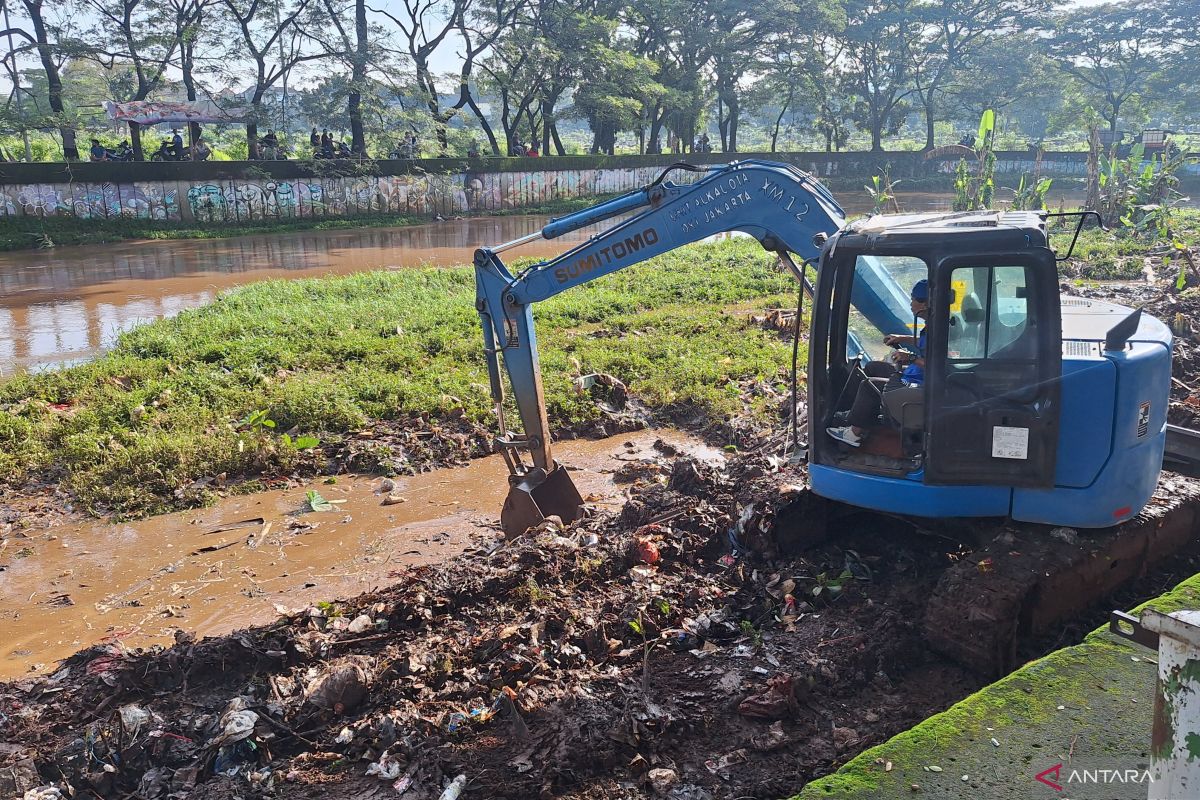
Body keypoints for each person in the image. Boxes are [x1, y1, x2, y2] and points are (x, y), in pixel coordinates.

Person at [826, 279, 930, 448]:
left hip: (920, 386)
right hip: (914, 376)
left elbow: (939, 365)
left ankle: (853, 434)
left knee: (870, 385)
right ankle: (858, 416)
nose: (911, 303)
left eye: (914, 300)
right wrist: (902, 338)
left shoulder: (942, 327)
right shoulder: (935, 324)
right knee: (873, 367)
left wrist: (910, 358)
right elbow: (927, 342)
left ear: (926, 304)